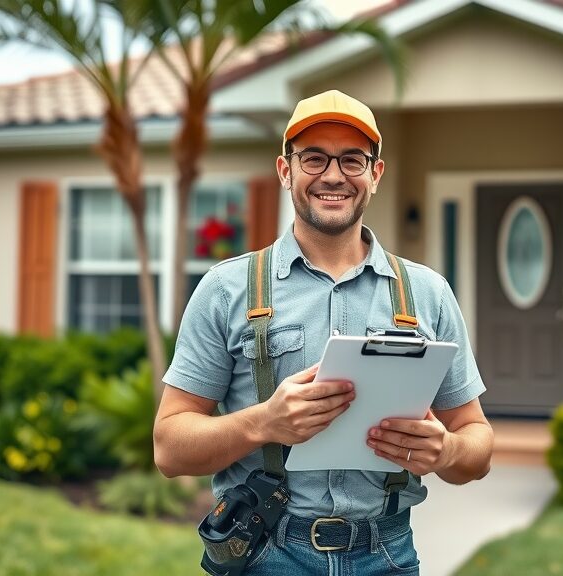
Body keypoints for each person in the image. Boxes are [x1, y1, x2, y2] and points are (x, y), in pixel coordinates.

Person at [154, 89, 493, 575]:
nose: (333, 175)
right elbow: (168, 448)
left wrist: (448, 449)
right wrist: (263, 423)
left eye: (352, 160)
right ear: (285, 170)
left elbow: (476, 441)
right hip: (268, 551)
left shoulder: (427, 293)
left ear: (375, 174)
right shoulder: (226, 290)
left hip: (389, 555)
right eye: (313, 158)